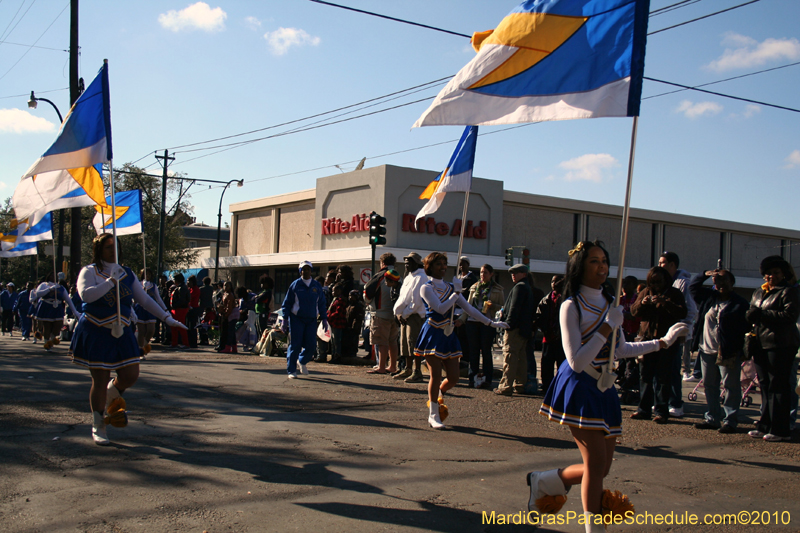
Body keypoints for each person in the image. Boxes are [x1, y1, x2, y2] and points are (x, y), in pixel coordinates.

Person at [534, 241, 687, 532]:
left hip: (605, 388)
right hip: (579, 385)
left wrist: (662, 342)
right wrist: (607, 326)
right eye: (594, 261)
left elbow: (621, 350)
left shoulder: (609, 304)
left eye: (604, 260)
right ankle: (595, 528)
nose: (602, 266)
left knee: (602, 468)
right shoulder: (571, 305)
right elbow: (576, 360)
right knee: (594, 464)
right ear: (580, 267)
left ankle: (547, 480)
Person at [70, 233, 185, 445]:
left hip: (121, 330)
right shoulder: (89, 271)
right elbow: (86, 295)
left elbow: (144, 300)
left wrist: (167, 318)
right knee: (100, 378)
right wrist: (111, 280)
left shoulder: (127, 273)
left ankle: (111, 394)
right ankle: (99, 424)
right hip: (96, 329)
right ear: (98, 250)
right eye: (107, 247)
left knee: (131, 374)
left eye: (116, 246)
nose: (113, 250)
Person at [414, 252, 508, 429]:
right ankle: (433, 414)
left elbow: (469, 309)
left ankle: (439, 393)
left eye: (444, 263)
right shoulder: (426, 288)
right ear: (429, 267)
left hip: (449, 335)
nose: (442, 267)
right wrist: (456, 293)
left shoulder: (451, 288)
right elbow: (441, 308)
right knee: (435, 374)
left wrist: (490, 322)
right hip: (433, 332)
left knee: (454, 378)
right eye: (438, 264)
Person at [746, 255, 800, 442]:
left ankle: (781, 429)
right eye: (768, 273)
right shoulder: (758, 292)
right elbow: (753, 313)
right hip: (761, 343)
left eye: (776, 273)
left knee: (779, 387)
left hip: (781, 344)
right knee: (765, 385)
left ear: (783, 273)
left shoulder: (788, 291)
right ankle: (765, 424)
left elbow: (789, 316)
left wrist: (762, 314)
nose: (771, 276)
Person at [691, 268, 748, 434]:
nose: (720, 284)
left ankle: (730, 420)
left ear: (732, 282)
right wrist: (704, 274)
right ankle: (713, 418)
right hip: (707, 349)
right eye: (717, 281)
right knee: (710, 385)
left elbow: (744, 327)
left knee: (730, 386)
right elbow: (693, 288)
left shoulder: (739, 303)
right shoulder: (709, 298)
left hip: (728, 351)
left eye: (724, 280)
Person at [630, 266, 687, 423]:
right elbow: (633, 311)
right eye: (652, 282)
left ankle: (661, 411)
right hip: (646, 340)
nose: (655, 286)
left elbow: (683, 312)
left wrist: (666, 303)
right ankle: (643, 409)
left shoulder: (674, 293)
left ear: (665, 281)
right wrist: (642, 303)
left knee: (663, 377)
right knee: (645, 376)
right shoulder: (645, 292)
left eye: (658, 282)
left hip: (666, 342)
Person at [659, 252, 698, 419]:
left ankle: (676, 404)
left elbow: (691, 310)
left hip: (676, 334)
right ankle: (663, 401)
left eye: (663, 263)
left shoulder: (683, 283)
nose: (660, 265)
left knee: (674, 369)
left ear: (672, 265)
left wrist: (684, 330)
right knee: (662, 370)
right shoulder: (663, 282)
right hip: (662, 333)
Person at [495, 264, 536, 396]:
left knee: (510, 356)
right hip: (524, 329)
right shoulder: (527, 287)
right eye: (512, 273)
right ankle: (519, 384)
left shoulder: (519, 287)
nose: (513, 275)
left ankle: (505, 386)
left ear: (524, 274)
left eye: (516, 272)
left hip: (515, 329)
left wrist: (508, 324)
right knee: (521, 358)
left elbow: (514, 308)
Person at [281, 261, 327, 378]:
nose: (305, 271)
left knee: (311, 345)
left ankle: (301, 361)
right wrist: (285, 319)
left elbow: (322, 303)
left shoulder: (316, 286)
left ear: (311, 271)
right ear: (300, 271)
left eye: (307, 269)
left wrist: (324, 318)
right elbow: (287, 303)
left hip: (311, 320)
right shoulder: (295, 285)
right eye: (303, 269)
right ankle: (291, 370)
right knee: (295, 345)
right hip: (297, 319)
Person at [465, 264, 505, 389]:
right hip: (473, 322)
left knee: (486, 351)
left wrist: (493, 306)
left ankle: (487, 378)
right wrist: (461, 319)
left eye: (486, 272)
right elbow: (468, 306)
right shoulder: (474, 287)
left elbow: (502, 307)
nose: (483, 275)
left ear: (491, 274)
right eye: (481, 272)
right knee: (473, 351)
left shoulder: (497, 289)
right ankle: (473, 377)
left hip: (488, 322)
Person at [392, 252, 429, 382]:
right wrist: (400, 313)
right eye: (406, 262)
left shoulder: (421, 277)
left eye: (409, 262)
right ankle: (407, 369)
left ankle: (417, 371)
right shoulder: (409, 277)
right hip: (405, 315)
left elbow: (416, 301)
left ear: (417, 263)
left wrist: (405, 314)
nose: (406, 265)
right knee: (405, 344)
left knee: (414, 344)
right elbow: (403, 298)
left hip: (415, 315)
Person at [365, 268, 401, 374]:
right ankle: (393, 366)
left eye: (387, 281)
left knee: (382, 342)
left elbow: (367, 293)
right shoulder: (400, 283)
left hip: (381, 314)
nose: (385, 283)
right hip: (394, 316)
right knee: (393, 341)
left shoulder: (379, 278)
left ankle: (381, 367)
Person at [534, 275, 565, 393]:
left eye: (557, 281)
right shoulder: (546, 299)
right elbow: (539, 316)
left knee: (561, 365)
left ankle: (560, 388)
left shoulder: (567, 299)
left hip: (561, 338)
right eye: (552, 281)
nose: (554, 283)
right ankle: (547, 387)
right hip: (548, 337)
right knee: (546, 364)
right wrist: (544, 329)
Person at [34, 273, 81, 350]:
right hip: (47, 307)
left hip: (57, 308)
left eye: (55, 276)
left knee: (59, 324)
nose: (53, 277)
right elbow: (38, 293)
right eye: (51, 276)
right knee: (47, 326)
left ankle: (52, 337)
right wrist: (49, 289)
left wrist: (75, 312)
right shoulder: (44, 285)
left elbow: (68, 300)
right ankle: (47, 342)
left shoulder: (60, 287)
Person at [134, 268, 168, 359]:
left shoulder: (154, 286)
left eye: (149, 274)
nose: (147, 276)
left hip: (150, 309)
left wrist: (165, 309)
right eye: (145, 274)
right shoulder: (138, 284)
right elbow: (134, 296)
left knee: (151, 330)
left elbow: (158, 299)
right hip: (140, 308)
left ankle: (144, 344)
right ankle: (141, 351)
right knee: (141, 331)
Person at [168, 273, 190, 349]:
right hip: (177, 309)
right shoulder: (179, 287)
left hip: (180, 309)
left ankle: (185, 343)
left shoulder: (182, 288)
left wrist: (175, 305)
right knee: (174, 326)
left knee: (181, 326)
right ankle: (175, 343)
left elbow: (182, 300)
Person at [327, 284, 347, 363]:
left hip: (338, 323)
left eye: (334, 290)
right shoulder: (334, 300)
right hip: (333, 323)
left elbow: (338, 312)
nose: (333, 292)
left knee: (336, 341)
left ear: (339, 291)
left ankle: (337, 356)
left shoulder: (340, 300)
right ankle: (333, 355)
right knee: (333, 341)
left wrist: (329, 316)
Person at [218, 281, 239, 353]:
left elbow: (229, 307)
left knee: (229, 331)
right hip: (227, 314)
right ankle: (234, 348)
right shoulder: (224, 294)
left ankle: (227, 347)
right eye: (224, 285)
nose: (225, 287)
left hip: (231, 315)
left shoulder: (230, 295)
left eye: (227, 286)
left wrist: (226, 315)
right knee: (231, 332)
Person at [343, 290, 365, 358]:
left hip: (354, 328)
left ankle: (353, 354)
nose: (350, 297)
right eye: (350, 296)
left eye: (352, 296)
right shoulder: (349, 305)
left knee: (353, 341)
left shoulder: (359, 306)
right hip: (347, 326)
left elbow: (358, 318)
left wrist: (354, 327)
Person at [236, 286, 258, 351]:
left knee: (254, 331)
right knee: (245, 331)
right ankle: (246, 344)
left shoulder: (252, 296)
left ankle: (255, 344)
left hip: (255, 315)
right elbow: (241, 310)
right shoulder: (242, 300)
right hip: (246, 318)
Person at [186, 275, 201, 348]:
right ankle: (189, 341)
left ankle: (193, 342)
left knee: (192, 326)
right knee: (188, 326)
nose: (187, 283)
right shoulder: (190, 289)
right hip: (189, 309)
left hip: (194, 308)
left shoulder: (196, 289)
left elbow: (190, 297)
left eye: (189, 282)